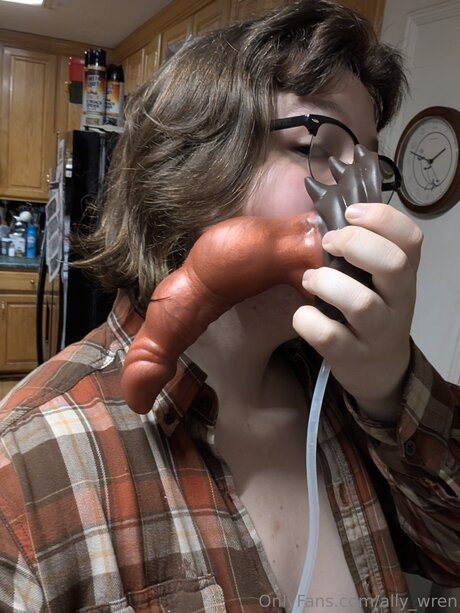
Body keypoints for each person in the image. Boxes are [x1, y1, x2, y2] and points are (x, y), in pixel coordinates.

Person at [0, 1, 459, 611]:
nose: (363, 196)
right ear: (190, 167)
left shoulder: (347, 395)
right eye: (319, 142)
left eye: (373, 165)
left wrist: (389, 389)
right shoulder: (25, 468)